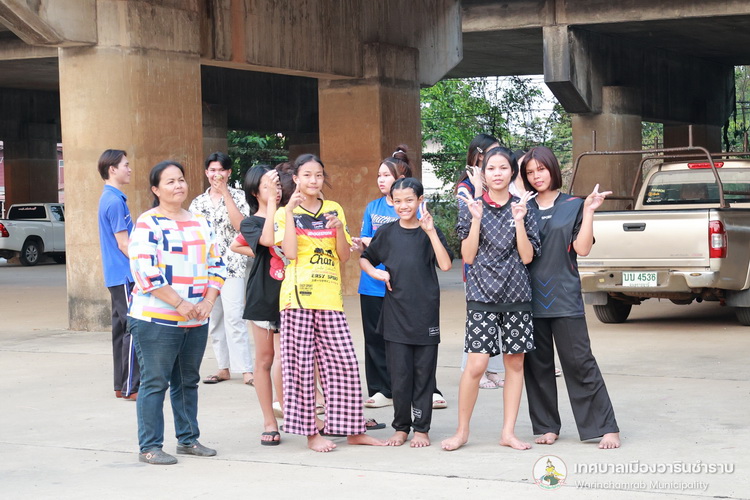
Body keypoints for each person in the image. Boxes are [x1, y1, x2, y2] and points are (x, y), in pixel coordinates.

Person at [275, 154, 385, 452]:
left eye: (319, 175)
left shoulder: (334, 209)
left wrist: (337, 228)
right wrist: (290, 212)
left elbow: (344, 256)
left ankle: (352, 430)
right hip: (297, 298)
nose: (314, 180)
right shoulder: (285, 213)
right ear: (295, 178)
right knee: (300, 367)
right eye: (307, 175)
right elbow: (289, 253)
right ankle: (311, 434)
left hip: (330, 296)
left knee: (344, 363)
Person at [521, 146, 621, 449]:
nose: (536, 176)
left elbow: (583, 248)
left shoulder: (574, 205)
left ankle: (605, 427)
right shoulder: (522, 207)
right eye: (530, 172)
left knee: (580, 363)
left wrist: (589, 211)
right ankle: (546, 426)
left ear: (552, 169)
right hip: (528, 298)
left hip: (564, 297)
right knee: (537, 367)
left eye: (541, 169)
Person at [442, 147, 540, 452]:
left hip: (516, 294)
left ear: (512, 172)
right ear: (483, 173)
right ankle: (461, 432)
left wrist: (519, 220)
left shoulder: (524, 206)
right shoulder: (471, 205)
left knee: (515, 363)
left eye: (503, 168)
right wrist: (476, 219)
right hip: (482, 294)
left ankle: (508, 432)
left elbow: (527, 257)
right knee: (476, 364)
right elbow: (468, 256)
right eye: (491, 168)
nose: (497, 173)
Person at [128, 160, 226, 465]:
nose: (178, 185)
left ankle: (188, 439)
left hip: (196, 318)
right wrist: (180, 304)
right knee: (155, 382)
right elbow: (145, 271)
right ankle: (150, 446)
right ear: (156, 189)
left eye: (181, 179)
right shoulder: (148, 223)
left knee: (187, 381)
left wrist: (208, 302)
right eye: (169, 182)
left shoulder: (200, 221)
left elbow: (217, 265)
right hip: (155, 319)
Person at [360, 178, 453, 448]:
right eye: (398, 201)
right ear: (392, 202)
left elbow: (446, 265)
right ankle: (401, 427)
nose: (403, 206)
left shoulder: (429, 231)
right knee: (400, 376)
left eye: (409, 200)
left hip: (425, 315)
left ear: (420, 201)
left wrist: (431, 232)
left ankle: (422, 429)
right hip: (395, 316)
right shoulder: (387, 232)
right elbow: (366, 258)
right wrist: (376, 273)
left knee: (424, 375)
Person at [189, 152, 254, 386]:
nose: (217, 175)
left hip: (232, 265)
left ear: (228, 172)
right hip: (206, 269)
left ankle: (246, 370)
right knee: (214, 319)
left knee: (235, 317)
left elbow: (241, 227)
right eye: (212, 170)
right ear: (206, 172)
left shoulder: (239, 197)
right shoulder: (197, 203)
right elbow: (194, 236)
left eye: (221, 170)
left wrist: (226, 193)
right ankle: (223, 367)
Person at [238, 165, 285, 446]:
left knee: (295, 359)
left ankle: (302, 416)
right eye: (268, 186)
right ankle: (270, 420)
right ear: (255, 192)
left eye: (278, 185)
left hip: (294, 297)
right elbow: (267, 240)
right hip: (264, 297)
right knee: (265, 359)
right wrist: (272, 209)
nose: (275, 191)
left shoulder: (290, 215)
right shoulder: (251, 223)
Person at [455, 134, 505, 390]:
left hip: (499, 264)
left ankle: (492, 369)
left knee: (496, 321)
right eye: (492, 152)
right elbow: (468, 223)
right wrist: (477, 190)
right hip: (476, 265)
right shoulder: (465, 187)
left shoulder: (496, 183)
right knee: (477, 321)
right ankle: (473, 370)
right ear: (479, 155)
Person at [97, 149, 140, 400]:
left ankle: (120, 384)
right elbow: (124, 243)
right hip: (124, 274)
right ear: (112, 169)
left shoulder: (110, 198)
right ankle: (132, 387)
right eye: (126, 165)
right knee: (134, 328)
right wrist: (143, 266)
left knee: (120, 330)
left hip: (116, 275)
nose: (129, 169)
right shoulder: (114, 201)